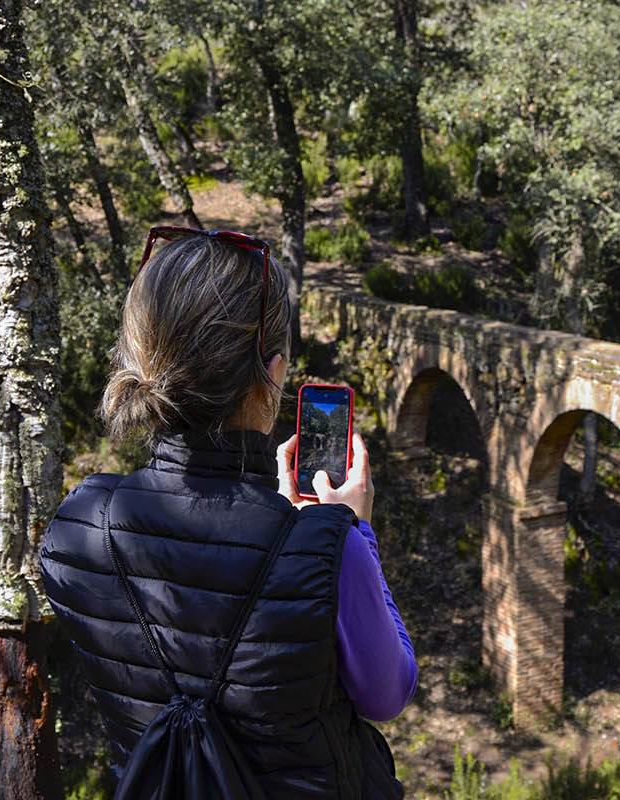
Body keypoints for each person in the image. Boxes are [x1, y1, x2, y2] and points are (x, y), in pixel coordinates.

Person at [39, 227, 416, 799]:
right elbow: (388, 693)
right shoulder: (329, 548)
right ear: (276, 371)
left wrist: (297, 535)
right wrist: (351, 531)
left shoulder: (78, 528)